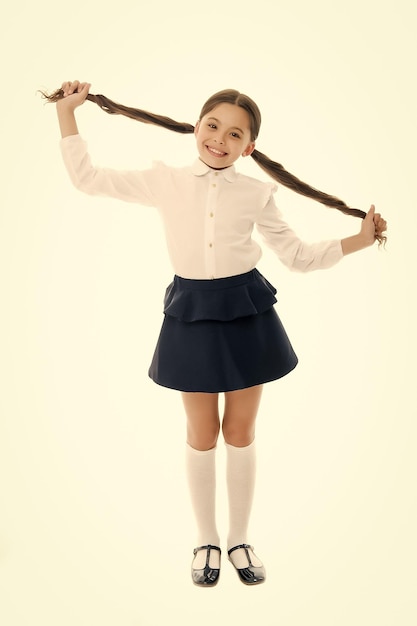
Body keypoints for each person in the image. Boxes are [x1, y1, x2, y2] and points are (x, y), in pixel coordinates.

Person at [43, 80, 387, 587]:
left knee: (240, 432)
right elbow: (88, 179)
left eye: (234, 134)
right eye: (212, 126)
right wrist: (67, 115)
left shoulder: (256, 193)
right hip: (191, 313)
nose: (219, 140)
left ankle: (240, 540)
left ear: (249, 146)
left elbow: (296, 256)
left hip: (246, 311)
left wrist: (358, 240)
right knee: (201, 434)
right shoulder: (165, 180)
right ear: (197, 126)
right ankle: (206, 540)